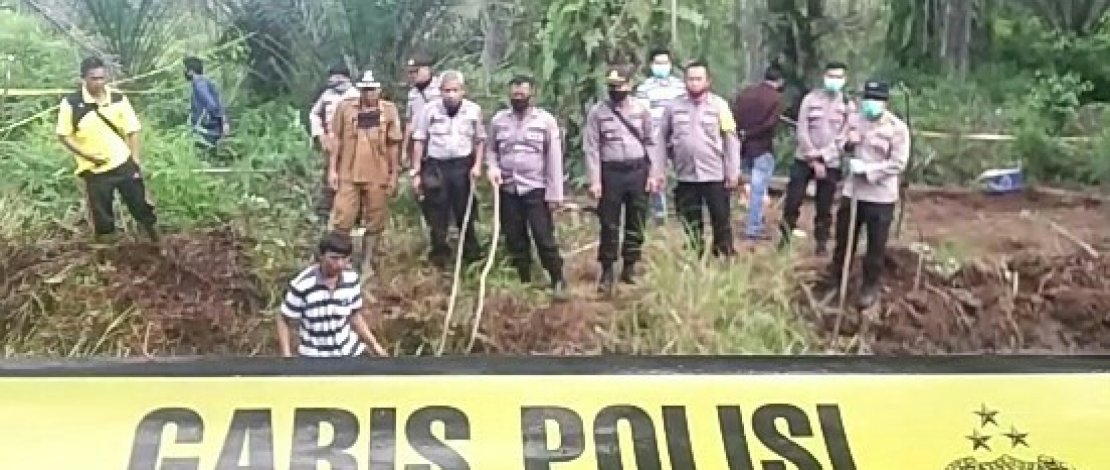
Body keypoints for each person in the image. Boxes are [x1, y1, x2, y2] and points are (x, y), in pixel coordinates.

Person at [824, 80, 910, 309]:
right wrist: (848, 145)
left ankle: (870, 287)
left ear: (884, 102)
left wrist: (869, 170)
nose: (869, 104)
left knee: (875, 246)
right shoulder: (854, 122)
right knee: (844, 242)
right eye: (867, 99)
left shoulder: (897, 128)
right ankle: (836, 283)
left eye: (875, 99)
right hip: (853, 193)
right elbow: (839, 145)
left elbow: (898, 163)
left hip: (880, 196)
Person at [57, 56, 159, 243]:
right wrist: (87, 155)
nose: (99, 83)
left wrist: (135, 160)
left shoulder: (118, 98)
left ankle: (156, 242)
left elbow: (133, 130)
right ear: (84, 79)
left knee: (141, 206)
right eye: (94, 78)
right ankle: (108, 256)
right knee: (102, 216)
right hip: (95, 170)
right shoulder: (71, 103)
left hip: (123, 163)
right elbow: (64, 135)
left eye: (102, 78)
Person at [486, 75, 568, 301]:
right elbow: (491, 150)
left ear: (532, 95)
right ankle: (524, 281)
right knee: (515, 238)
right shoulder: (499, 121)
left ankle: (558, 279)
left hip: (536, 189)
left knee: (544, 238)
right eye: (514, 95)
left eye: (522, 95)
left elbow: (553, 159)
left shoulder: (545, 121)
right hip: (508, 190)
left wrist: (555, 194)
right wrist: (492, 168)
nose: (518, 98)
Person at [584, 67, 662, 294]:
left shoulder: (641, 109)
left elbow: (651, 142)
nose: (615, 90)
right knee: (609, 223)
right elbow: (592, 148)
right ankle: (607, 268)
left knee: (636, 220)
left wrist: (653, 173)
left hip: (637, 170)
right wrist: (595, 180)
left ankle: (630, 265)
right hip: (611, 172)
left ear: (629, 86)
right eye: (612, 86)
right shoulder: (598, 112)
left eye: (620, 86)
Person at [327, 70, 403, 297]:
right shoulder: (345, 108)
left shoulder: (388, 111)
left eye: (372, 89)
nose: (368, 93)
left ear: (379, 89)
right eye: (365, 89)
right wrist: (332, 169)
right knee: (343, 218)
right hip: (348, 171)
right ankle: (342, 262)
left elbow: (393, 144)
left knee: (375, 218)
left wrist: (393, 174)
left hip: (377, 172)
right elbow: (336, 140)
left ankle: (368, 263)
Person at [658, 60, 741, 257]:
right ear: (685, 81)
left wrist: (733, 171)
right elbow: (661, 138)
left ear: (708, 81)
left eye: (698, 79)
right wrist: (658, 169)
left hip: (714, 173)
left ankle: (724, 254)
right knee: (690, 220)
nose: (694, 83)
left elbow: (731, 139)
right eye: (690, 79)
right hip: (686, 175)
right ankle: (695, 255)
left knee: (721, 219)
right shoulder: (673, 107)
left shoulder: (720, 106)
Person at [410, 71, 485, 269]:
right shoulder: (429, 111)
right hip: (436, 166)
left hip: (462, 166)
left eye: (455, 90)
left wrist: (477, 165)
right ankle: (440, 257)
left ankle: (471, 256)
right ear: (440, 91)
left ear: (463, 91)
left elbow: (479, 140)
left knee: (465, 211)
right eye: (446, 90)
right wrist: (416, 172)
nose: (451, 95)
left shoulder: (473, 110)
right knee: (437, 213)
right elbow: (419, 141)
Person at [780, 61, 856, 255]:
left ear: (845, 80)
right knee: (793, 201)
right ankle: (784, 239)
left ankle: (821, 243)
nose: (834, 81)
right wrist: (812, 157)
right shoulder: (810, 99)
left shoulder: (848, 105)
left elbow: (844, 136)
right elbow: (802, 129)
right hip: (804, 158)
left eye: (839, 77)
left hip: (831, 162)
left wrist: (823, 156)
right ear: (824, 76)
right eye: (831, 76)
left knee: (825, 205)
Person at [277, 231, 388, 358]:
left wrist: (374, 345)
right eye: (334, 258)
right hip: (315, 356)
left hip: (349, 350)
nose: (339, 264)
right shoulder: (302, 285)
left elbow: (354, 316)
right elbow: (283, 318)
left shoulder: (351, 279)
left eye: (344, 259)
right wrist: (286, 355)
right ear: (321, 256)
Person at [731, 65, 785, 241]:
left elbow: (734, 114)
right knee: (758, 189)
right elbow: (770, 124)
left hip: (741, 146)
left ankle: (744, 220)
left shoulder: (746, 93)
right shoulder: (776, 98)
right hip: (761, 147)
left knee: (735, 182)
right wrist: (752, 133)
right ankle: (753, 227)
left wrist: (741, 133)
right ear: (780, 81)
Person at [635, 48, 686, 223]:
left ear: (671, 65)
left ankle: (684, 209)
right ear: (651, 65)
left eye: (665, 63)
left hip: (678, 135)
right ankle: (660, 213)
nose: (661, 66)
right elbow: (643, 114)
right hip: (655, 137)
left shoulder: (680, 87)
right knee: (656, 172)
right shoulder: (644, 88)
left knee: (684, 173)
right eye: (658, 63)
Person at [308, 64, 358, 221]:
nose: (332, 80)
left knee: (350, 178)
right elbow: (314, 114)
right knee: (329, 175)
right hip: (331, 141)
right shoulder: (327, 95)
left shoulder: (355, 95)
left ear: (344, 77)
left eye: (335, 76)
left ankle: (351, 214)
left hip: (352, 144)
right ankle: (325, 212)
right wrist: (320, 134)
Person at [183, 56, 230, 154]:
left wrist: (204, 120)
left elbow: (212, 105)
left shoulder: (199, 84)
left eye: (185, 69)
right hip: (211, 129)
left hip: (206, 130)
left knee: (202, 155)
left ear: (191, 71)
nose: (184, 72)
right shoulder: (205, 82)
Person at [404, 52, 441, 168]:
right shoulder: (412, 93)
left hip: (439, 142)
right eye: (410, 72)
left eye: (416, 71)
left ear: (427, 69)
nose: (412, 75)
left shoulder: (441, 88)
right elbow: (410, 122)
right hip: (419, 145)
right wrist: (404, 149)